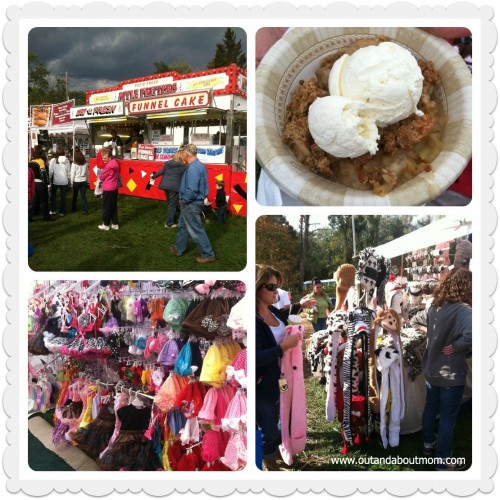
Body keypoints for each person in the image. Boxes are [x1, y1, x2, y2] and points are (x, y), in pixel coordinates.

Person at [421, 267, 472, 470]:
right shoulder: (463, 310)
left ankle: (427, 445)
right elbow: (473, 333)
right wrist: (458, 346)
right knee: (447, 417)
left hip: (432, 368)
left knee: (430, 409)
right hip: (450, 373)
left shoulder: (434, 306)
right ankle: (443, 461)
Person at [255, 264, 300, 471]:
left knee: (285, 414)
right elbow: (255, 358)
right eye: (271, 287)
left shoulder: (273, 310)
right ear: (257, 287)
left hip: (283, 379)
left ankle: (283, 449)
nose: (277, 292)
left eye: (277, 287)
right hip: (264, 386)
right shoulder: (254, 320)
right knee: (269, 428)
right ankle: (268, 462)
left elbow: (286, 318)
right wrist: (283, 347)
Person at [169, 144, 216, 263]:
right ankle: (179, 248)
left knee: (196, 230)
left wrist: (184, 200)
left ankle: (208, 254)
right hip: (193, 202)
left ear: (186, 154)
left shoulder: (193, 168)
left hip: (191, 203)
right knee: (183, 226)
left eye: (183, 153)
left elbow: (192, 189)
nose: (182, 155)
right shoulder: (199, 165)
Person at [150, 150, 187, 228]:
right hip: (174, 187)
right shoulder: (183, 166)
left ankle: (174, 220)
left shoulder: (168, 163)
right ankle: (169, 223)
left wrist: (153, 176)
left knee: (171, 204)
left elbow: (161, 172)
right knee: (172, 205)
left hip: (165, 186)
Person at [97, 149, 120, 231]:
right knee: (113, 206)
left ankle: (106, 224)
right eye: (103, 157)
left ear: (110, 157)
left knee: (106, 207)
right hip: (114, 187)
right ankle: (115, 224)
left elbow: (101, 177)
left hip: (108, 188)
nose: (103, 159)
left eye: (105, 158)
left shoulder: (108, 166)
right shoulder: (116, 163)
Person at [29, 146, 51, 221]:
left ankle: (30, 217)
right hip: (40, 183)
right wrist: (48, 185)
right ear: (41, 153)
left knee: (34, 201)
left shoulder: (30, 161)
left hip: (32, 184)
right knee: (44, 201)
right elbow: (44, 174)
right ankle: (46, 217)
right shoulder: (41, 161)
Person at [48, 147, 71, 216]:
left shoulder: (53, 160)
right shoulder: (67, 160)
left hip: (56, 181)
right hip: (64, 181)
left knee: (53, 196)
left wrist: (49, 180)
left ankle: (53, 210)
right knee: (63, 197)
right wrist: (69, 180)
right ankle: (62, 211)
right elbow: (69, 172)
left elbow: (50, 172)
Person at [70, 148, 89, 215]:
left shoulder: (74, 164)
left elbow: (72, 174)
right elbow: (87, 173)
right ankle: (86, 210)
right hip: (83, 180)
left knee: (75, 195)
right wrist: (86, 179)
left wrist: (71, 183)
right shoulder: (85, 163)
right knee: (83, 196)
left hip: (76, 181)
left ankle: (73, 208)